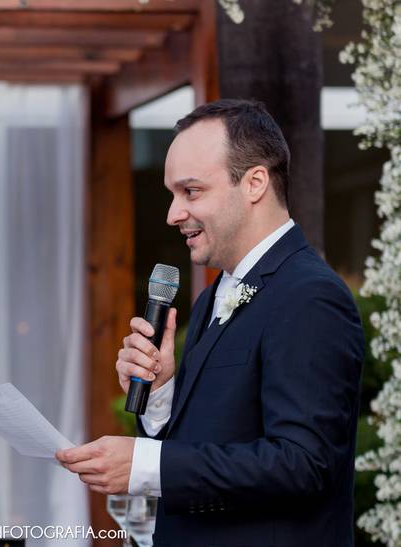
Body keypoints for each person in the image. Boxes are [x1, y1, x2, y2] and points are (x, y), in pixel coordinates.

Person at [56, 99, 365, 546]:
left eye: (191, 191)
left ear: (255, 182)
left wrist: (145, 465)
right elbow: (211, 442)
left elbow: (303, 465)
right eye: (172, 194)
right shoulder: (209, 298)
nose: (172, 213)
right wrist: (161, 394)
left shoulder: (310, 296)